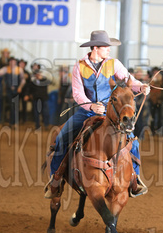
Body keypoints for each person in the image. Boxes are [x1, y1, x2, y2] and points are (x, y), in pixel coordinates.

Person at [44, 30, 150, 199]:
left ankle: (134, 180)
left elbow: (130, 80)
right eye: (106, 46)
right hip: (87, 110)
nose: (109, 49)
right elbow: (78, 94)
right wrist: (91, 106)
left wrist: (141, 87)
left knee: (132, 142)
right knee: (61, 137)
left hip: (111, 111)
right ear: (95, 47)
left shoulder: (113, 64)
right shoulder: (80, 66)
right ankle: (55, 178)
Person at [0, 56, 25, 126]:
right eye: (11, 61)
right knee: (12, 106)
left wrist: (20, 87)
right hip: (9, 90)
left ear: (15, 62)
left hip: (16, 90)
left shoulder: (19, 70)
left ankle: (14, 122)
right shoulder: (6, 69)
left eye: (13, 61)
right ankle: (12, 122)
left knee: (15, 106)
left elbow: (23, 80)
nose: (12, 63)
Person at [30, 63, 50, 129]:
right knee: (36, 113)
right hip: (36, 98)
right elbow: (30, 89)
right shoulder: (33, 81)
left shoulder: (44, 80)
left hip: (43, 98)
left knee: (45, 112)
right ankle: (37, 126)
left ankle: (46, 125)